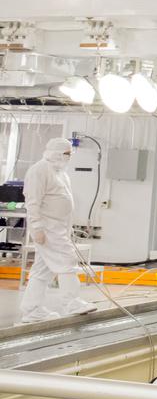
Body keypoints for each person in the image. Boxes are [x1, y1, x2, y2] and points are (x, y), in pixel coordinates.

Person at [20, 137, 95, 323]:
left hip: (59, 228)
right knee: (67, 261)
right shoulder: (39, 170)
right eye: (66, 154)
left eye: (70, 154)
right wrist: (37, 228)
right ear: (55, 153)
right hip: (48, 229)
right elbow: (32, 202)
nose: (68, 157)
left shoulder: (61, 173)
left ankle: (32, 310)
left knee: (42, 270)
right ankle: (71, 302)